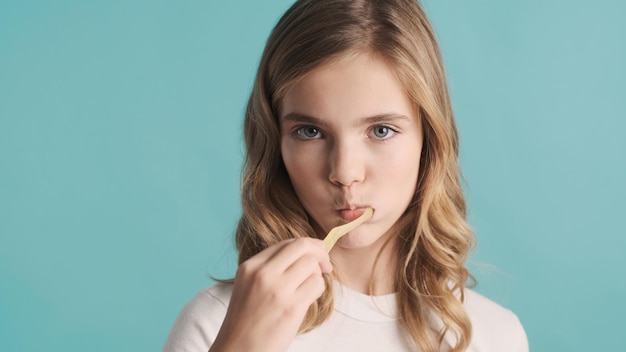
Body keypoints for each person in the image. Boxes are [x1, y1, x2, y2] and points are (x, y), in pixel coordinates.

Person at [163, 0, 528, 351]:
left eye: (381, 130)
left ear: (429, 140)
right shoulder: (215, 325)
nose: (344, 173)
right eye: (310, 132)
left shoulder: (494, 337)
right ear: (276, 144)